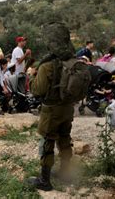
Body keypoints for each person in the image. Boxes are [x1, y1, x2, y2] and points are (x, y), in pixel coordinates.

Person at [27, 23, 76, 191]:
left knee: (47, 142)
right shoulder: (72, 61)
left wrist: (31, 77)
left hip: (51, 109)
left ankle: (44, 180)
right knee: (64, 138)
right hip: (68, 107)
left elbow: (37, 90)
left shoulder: (47, 65)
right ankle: (66, 173)